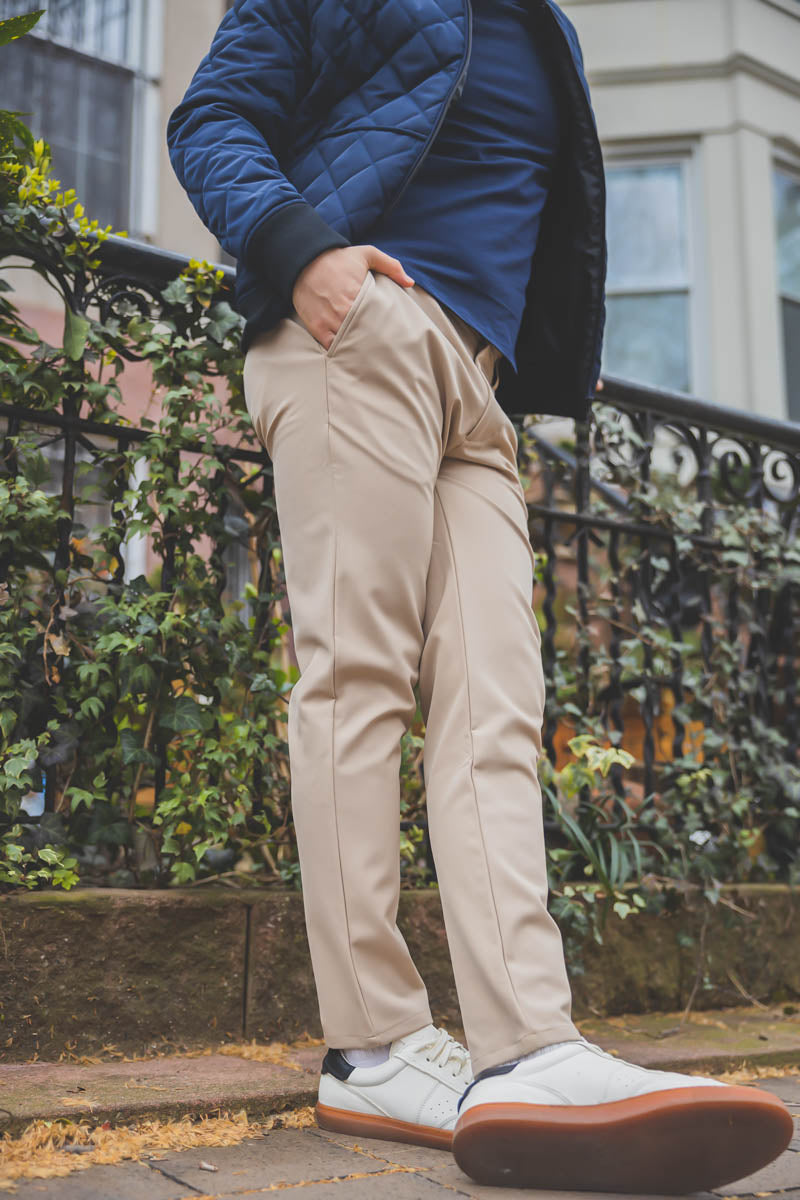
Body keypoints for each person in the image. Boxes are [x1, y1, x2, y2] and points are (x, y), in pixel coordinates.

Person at [167, 0, 793, 1190]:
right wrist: (306, 257)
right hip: (360, 330)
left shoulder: (541, 25)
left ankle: (525, 1047)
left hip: (476, 391)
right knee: (356, 679)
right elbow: (211, 119)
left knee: (495, 706)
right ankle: (374, 1042)